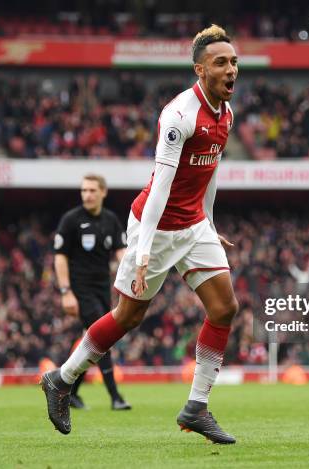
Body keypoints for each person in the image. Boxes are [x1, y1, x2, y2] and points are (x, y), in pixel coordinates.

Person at [42, 24, 239, 444]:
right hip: (157, 225)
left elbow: (211, 173)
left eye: (234, 61)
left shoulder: (226, 114)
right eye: (221, 62)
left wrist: (210, 222)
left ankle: (196, 407)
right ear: (200, 70)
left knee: (224, 308)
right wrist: (144, 247)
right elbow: (161, 184)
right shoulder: (179, 115)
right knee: (127, 316)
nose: (231, 69)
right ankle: (61, 379)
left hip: (194, 226)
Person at [53, 173, 131, 410]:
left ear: (103, 192)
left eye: (92, 190)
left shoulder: (111, 220)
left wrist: (133, 274)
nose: (87, 195)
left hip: (102, 289)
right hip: (80, 289)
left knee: (91, 341)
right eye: (84, 190)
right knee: (102, 338)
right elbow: (60, 257)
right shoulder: (71, 220)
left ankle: (68, 390)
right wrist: (66, 291)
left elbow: (121, 254)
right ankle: (115, 397)